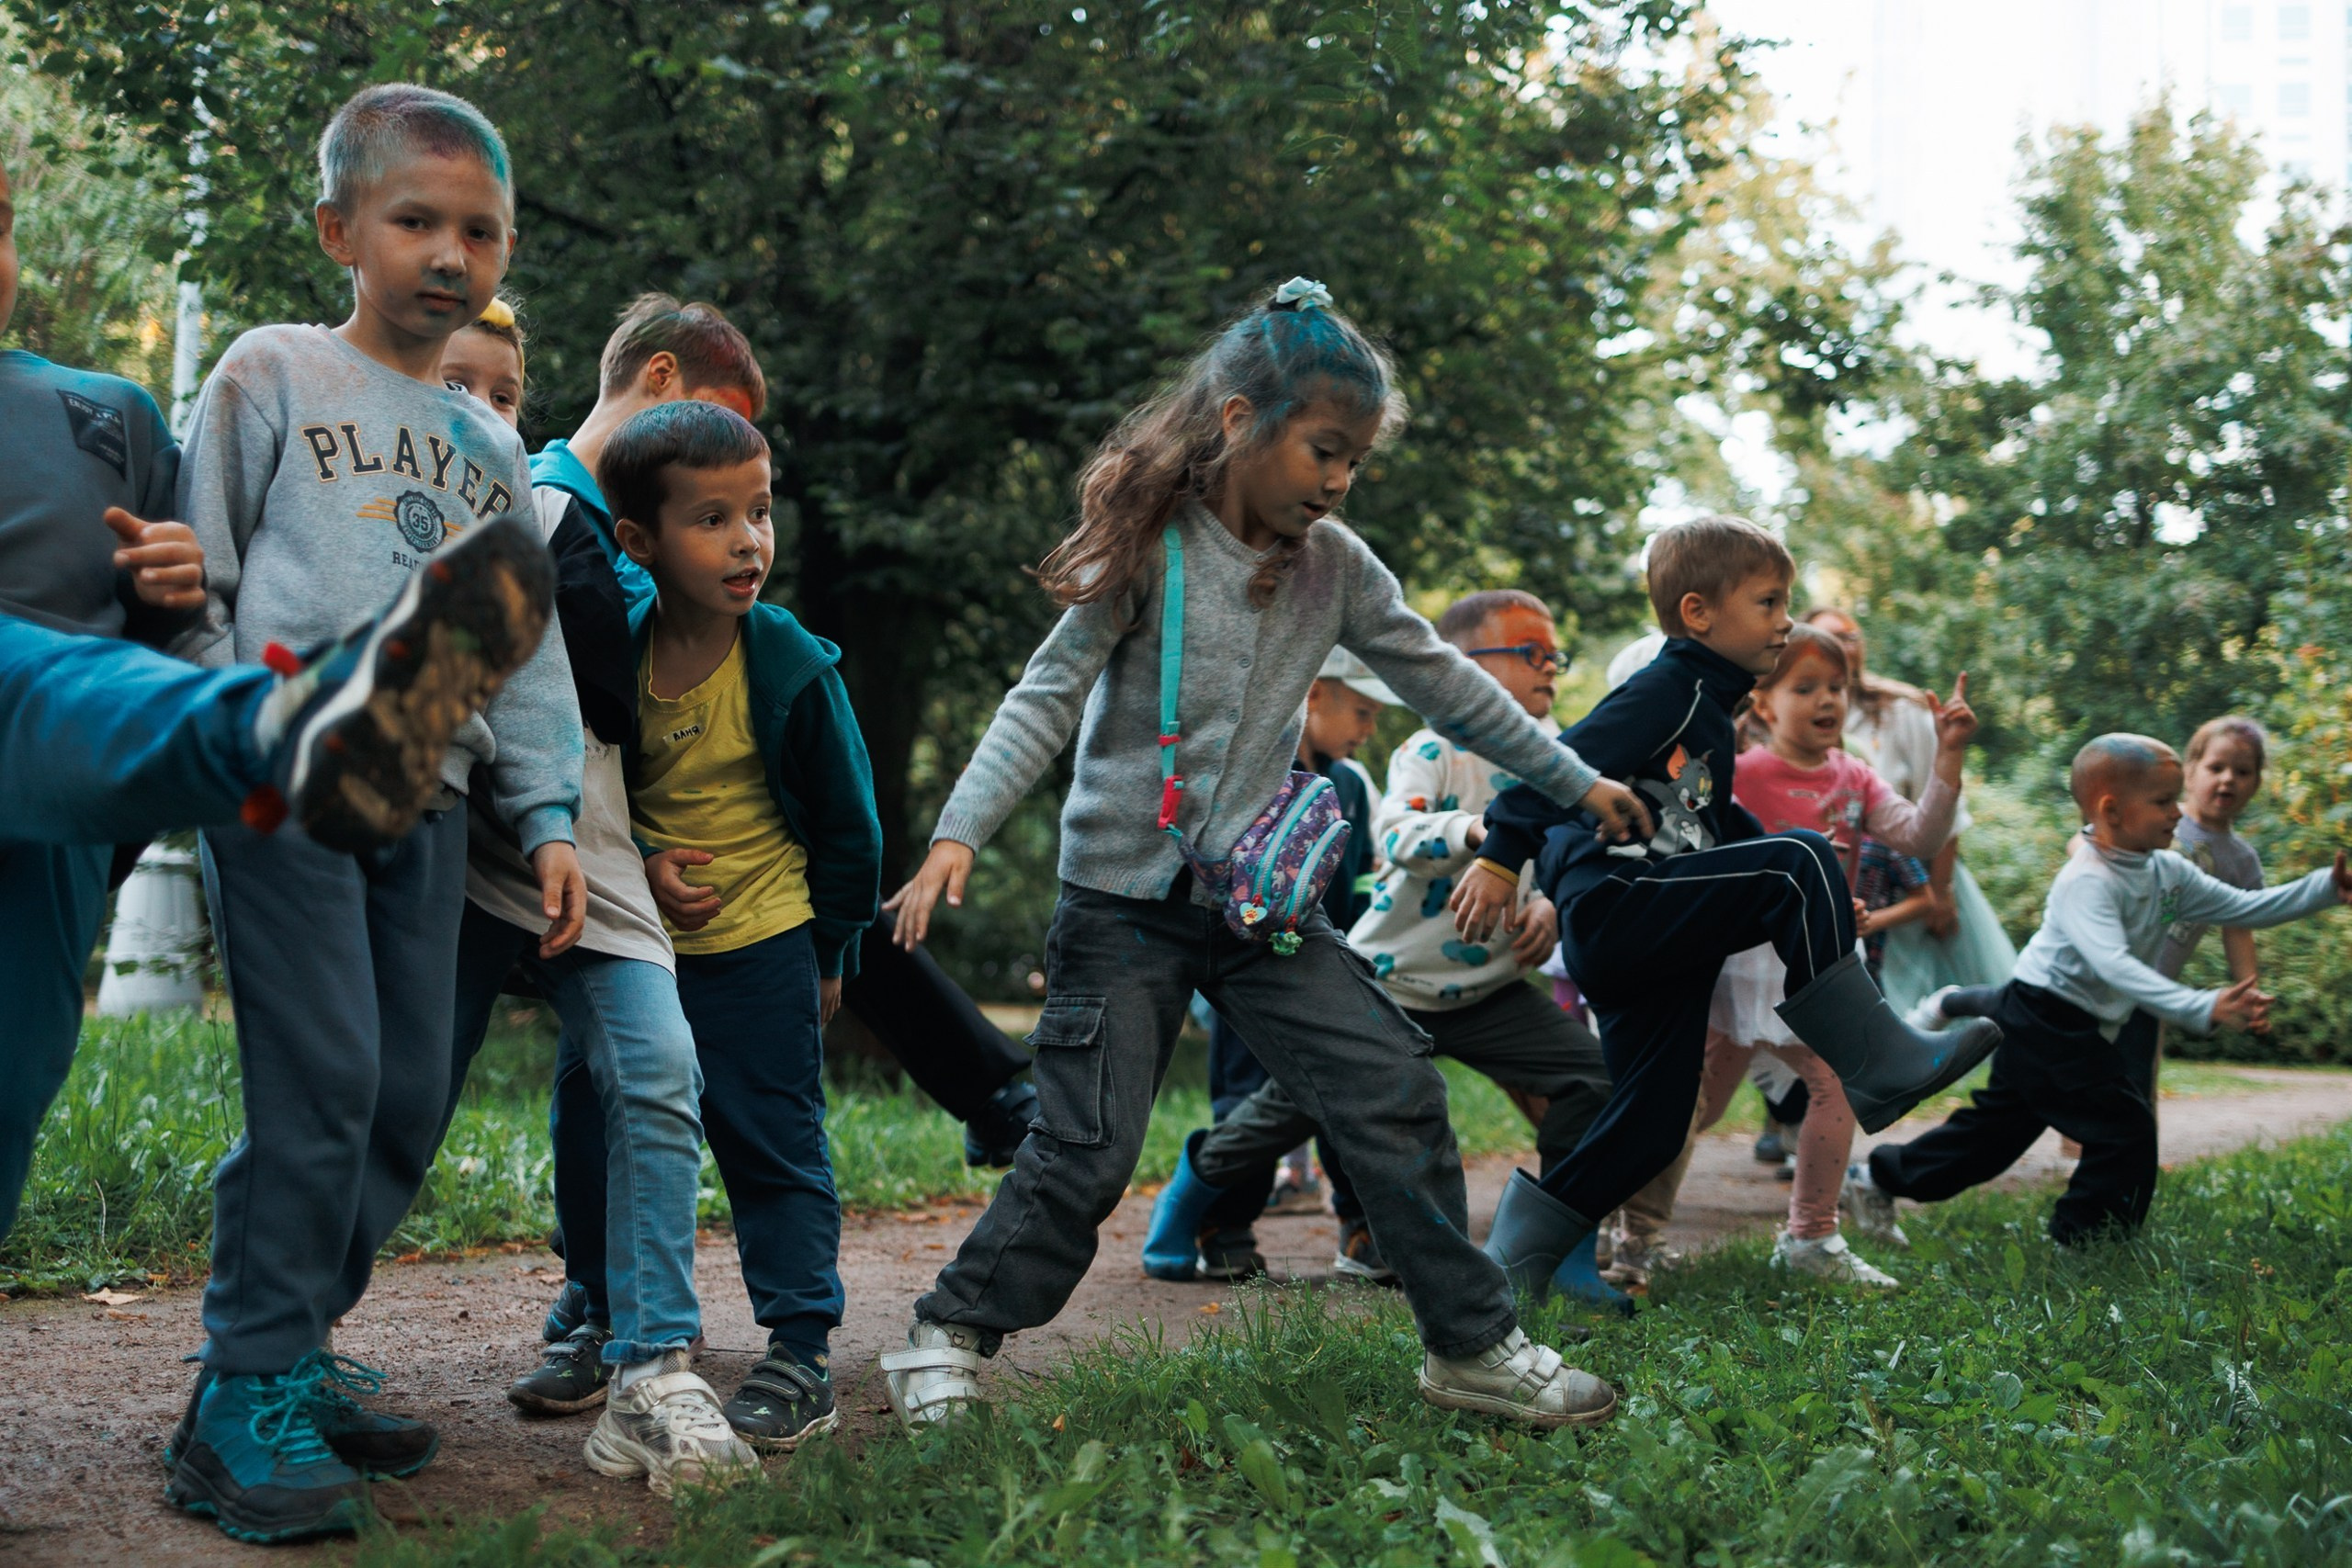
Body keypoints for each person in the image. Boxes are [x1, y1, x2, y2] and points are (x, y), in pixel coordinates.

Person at [877, 278, 1650, 1433]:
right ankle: (947, 1334)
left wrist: (1574, 778)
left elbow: (1443, 678)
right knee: (1086, 1150)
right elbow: (1046, 695)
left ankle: (1473, 1345)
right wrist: (956, 833)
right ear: (1239, 420)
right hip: (1120, 907)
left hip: (1258, 912)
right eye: (1323, 451)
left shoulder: (1336, 567)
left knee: (1391, 1086)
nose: (1337, 482)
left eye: (1354, 464)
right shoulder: (1148, 548)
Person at [162, 85, 588, 1546]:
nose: (449, 254)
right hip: (283, 764)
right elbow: (197, 567)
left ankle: (295, 1341)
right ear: (342, 228)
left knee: (407, 1088)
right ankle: (243, 1390)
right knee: (326, 1076)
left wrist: (546, 819)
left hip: (429, 786)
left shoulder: (485, 448)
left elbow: (522, 654)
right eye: (416, 221)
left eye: (480, 230)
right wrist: (219, 725)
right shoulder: (271, 372)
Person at [1456, 515, 2001, 1303]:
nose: (1786, 620)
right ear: (1698, 614)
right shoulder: (1667, 688)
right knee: (1802, 856)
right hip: (1621, 905)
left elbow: (1721, 824)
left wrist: (1798, 888)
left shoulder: (1711, 709)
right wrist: (1502, 857)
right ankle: (1880, 1063)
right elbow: (1557, 763)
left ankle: (1509, 1270)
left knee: (1653, 1120)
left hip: (1661, 929)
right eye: (1769, 602)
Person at [427, 303, 754, 1492]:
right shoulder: (537, 496)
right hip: (462, 826)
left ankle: (652, 1365)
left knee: (657, 1069)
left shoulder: (626, 528)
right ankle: (271, 1358)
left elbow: (618, 717)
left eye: (503, 394)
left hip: (595, 841)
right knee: (399, 1098)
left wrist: (639, 842)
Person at [1150, 590, 1621, 1302]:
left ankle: (1560, 1252)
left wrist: (1551, 903)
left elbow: (1570, 852)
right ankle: (1186, 1199)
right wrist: (1475, 835)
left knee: (1593, 1078)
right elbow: (1396, 835)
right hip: (1388, 985)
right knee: (1286, 1112)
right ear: (1462, 667)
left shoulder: (1556, 760)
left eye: (1555, 654)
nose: (1550, 667)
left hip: (1489, 992)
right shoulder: (1430, 751)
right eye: (1530, 652)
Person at [605, 399, 883, 1458]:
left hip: (766, 940)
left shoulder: (788, 664)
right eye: (712, 519)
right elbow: (592, 788)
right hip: (637, 952)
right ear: (639, 543)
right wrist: (638, 864)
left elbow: (852, 827)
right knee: (606, 1138)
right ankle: (601, 1317)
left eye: (759, 513)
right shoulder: (613, 652)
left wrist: (830, 954)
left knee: (775, 1145)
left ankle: (799, 1349)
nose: (747, 541)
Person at [1854, 734, 2350, 1247]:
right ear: (2111, 810)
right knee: (2123, 1127)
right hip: (2045, 1017)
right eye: (2163, 801)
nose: (2178, 813)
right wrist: (2201, 1005)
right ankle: (2083, 1241)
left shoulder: (2168, 871)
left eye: (2175, 798)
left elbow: (2245, 907)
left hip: (2064, 1019)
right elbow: (2115, 967)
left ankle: (1877, 1177)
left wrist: (2326, 889)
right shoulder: (2086, 881)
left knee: (1992, 1139)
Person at [1691, 624, 1973, 1287]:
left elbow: (1918, 834)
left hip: (1816, 966)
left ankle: (1812, 1235)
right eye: (1806, 686)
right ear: (1763, 704)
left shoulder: (1856, 777)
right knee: (1694, 1104)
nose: (1828, 700)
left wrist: (1948, 758)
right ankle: (1625, 1226)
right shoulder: (1741, 775)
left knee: (1836, 1083)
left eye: (1838, 686)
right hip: (1739, 963)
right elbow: (1704, 861)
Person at [1150, 648, 1390, 1283]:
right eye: (1360, 711)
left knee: (1345, 1089)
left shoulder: (1352, 783)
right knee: (1244, 1098)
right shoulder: (1250, 768)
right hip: (1243, 960)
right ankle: (1224, 1223)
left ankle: (1363, 1225)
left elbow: (1363, 874)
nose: (1368, 729)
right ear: (1312, 695)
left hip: (1325, 958)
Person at [1804, 606, 2015, 1011]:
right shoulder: (1788, 717)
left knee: (1925, 994)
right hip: (1844, 883)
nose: (1845, 646)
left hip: (1912, 875)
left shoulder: (1902, 710)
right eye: (1830, 637)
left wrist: (1941, 890)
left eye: (1852, 636)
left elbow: (1943, 810)